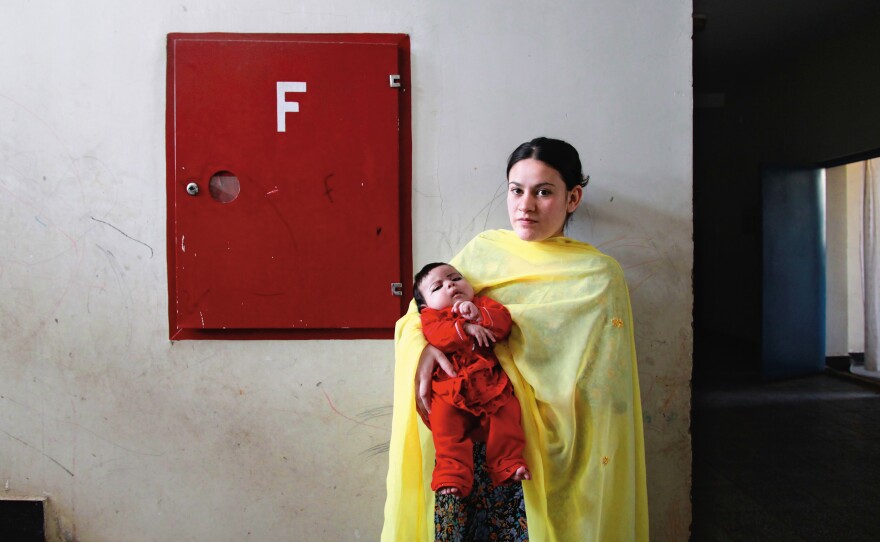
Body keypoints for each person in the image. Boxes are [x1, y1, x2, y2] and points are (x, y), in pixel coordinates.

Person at [382, 137, 648, 542]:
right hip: (469, 449)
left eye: (544, 192)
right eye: (516, 190)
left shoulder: (598, 275)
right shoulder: (483, 252)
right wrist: (429, 348)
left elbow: (605, 387)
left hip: (547, 454)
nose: (525, 206)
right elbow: (419, 316)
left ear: (573, 197)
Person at [413, 262, 530, 497]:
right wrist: (464, 327)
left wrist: (480, 316)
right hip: (449, 386)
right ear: (425, 305)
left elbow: (503, 323)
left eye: (455, 278)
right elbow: (436, 335)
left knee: (507, 414)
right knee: (446, 428)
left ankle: (507, 463)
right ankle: (451, 474)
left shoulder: (483, 304)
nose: (450, 284)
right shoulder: (432, 317)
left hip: (487, 381)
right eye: (437, 287)